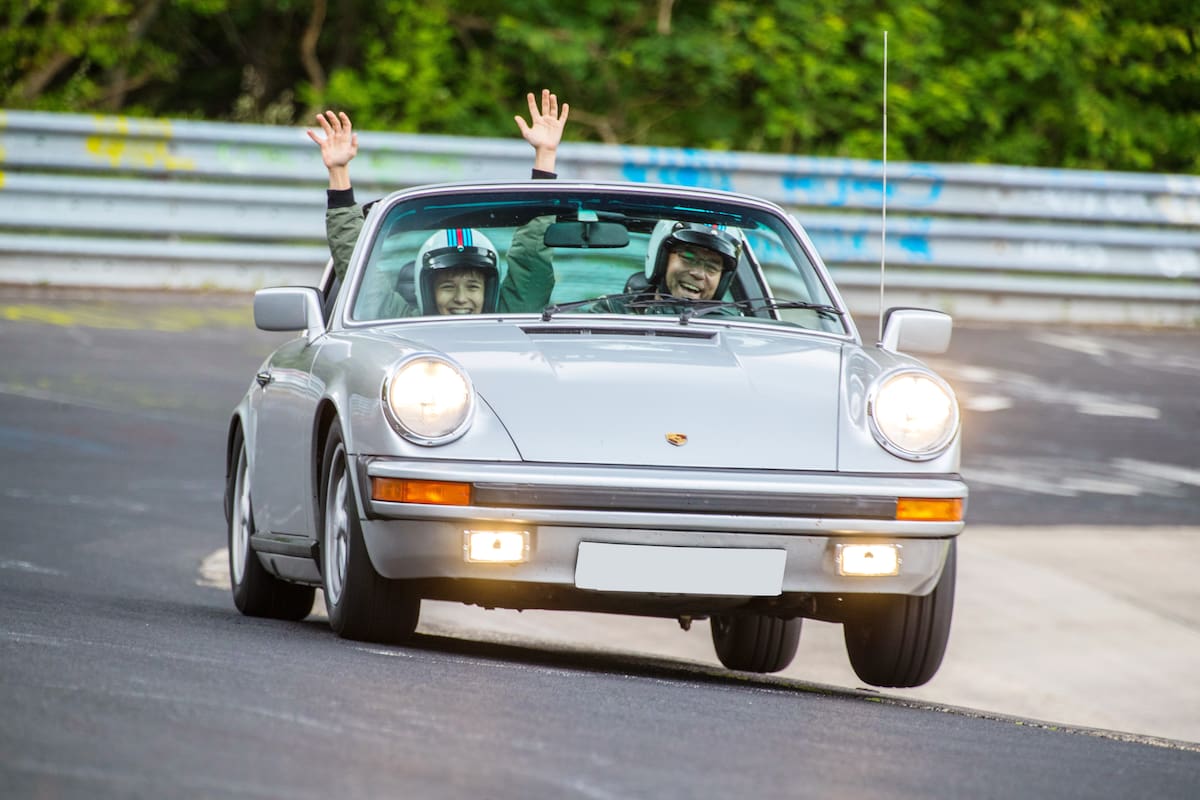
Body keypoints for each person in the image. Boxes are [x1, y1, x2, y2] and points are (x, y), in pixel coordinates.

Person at [306, 89, 569, 317]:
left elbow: (531, 259)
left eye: (473, 286)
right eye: (447, 286)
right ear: (426, 289)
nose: (461, 298)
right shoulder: (399, 324)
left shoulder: (512, 318)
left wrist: (545, 156)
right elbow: (360, 272)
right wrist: (338, 172)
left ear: (490, 289)